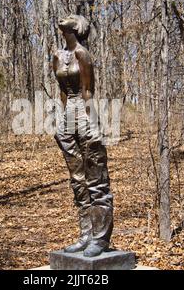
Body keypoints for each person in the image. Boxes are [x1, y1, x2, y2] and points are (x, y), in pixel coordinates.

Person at [53, 14, 113, 257]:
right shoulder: (57, 55)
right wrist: (62, 123)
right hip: (67, 116)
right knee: (78, 181)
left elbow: (88, 91)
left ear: (76, 27)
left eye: (69, 18)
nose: (62, 19)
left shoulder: (83, 54)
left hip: (84, 113)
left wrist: (93, 125)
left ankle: (100, 239)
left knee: (96, 180)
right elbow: (62, 93)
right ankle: (86, 234)